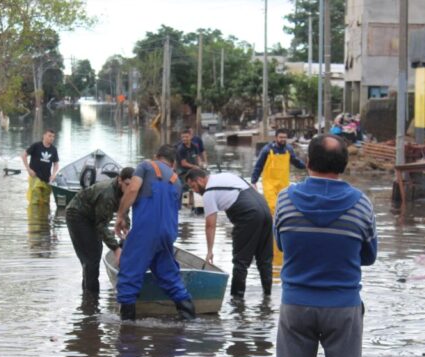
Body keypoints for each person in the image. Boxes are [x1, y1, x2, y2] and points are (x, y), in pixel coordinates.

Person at [268, 135, 377, 357]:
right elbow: (369, 255)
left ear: (307, 162)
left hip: (295, 306)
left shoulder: (285, 200)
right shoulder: (361, 205)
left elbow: (282, 245)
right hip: (343, 308)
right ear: (344, 165)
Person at [114, 145, 196, 321]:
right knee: (169, 276)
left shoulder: (145, 166)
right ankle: (189, 318)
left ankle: (127, 331)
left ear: (156, 156)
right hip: (168, 234)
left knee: (129, 275)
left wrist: (121, 215)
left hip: (145, 231)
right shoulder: (177, 181)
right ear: (173, 164)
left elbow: (133, 189)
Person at [185, 169, 272, 298]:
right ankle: (268, 296)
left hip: (249, 215)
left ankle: (236, 302)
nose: (195, 191)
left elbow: (210, 225)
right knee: (264, 259)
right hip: (265, 210)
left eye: (193, 187)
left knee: (240, 262)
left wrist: (209, 250)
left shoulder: (209, 192)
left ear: (200, 180)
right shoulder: (226, 175)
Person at [65, 167, 134, 295]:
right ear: (120, 180)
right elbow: (101, 226)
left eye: (132, 186)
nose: (130, 188)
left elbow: (125, 210)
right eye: (127, 185)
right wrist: (117, 249)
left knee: (96, 253)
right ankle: (91, 298)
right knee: (91, 259)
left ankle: (88, 299)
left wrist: (126, 227)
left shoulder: (127, 191)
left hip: (93, 217)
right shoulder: (107, 193)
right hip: (77, 215)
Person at [251, 128, 306, 213]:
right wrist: (254, 181)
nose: (283, 139)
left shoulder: (289, 149)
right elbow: (259, 165)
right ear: (276, 138)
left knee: (283, 206)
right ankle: (273, 225)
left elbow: (295, 161)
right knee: (272, 206)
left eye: (285, 137)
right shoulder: (267, 150)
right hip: (269, 184)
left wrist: (306, 166)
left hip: (283, 184)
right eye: (281, 137)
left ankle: (280, 224)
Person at [22, 129, 60, 205]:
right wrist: (28, 169)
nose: (52, 138)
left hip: (47, 178)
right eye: (49, 136)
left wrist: (53, 174)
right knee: (35, 199)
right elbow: (24, 155)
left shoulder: (53, 149)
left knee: (45, 201)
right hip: (35, 176)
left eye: (53, 136)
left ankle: (44, 216)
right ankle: (34, 215)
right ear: (44, 136)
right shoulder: (36, 146)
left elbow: (56, 163)